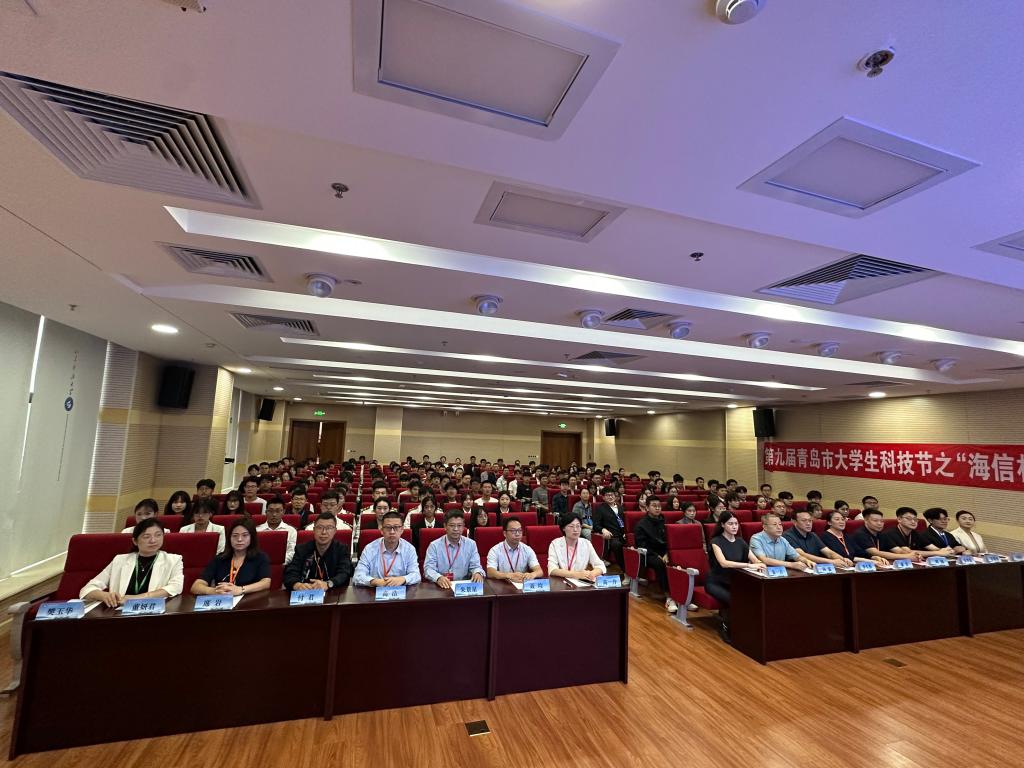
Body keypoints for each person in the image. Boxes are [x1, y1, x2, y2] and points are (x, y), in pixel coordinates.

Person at [80, 518, 184, 606]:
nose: (153, 540)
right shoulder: (119, 560)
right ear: (135, 541)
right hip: (120, 614)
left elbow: (176, 587)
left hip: (153, 612)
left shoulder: (174, 560)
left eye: (158, 535)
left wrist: (139, 598)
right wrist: (105, 596)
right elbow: (87, 589)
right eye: (146, 536)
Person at [705, 511, 764, 644]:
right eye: (730, 524)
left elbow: (754, 559)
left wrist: (760, 564)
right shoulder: (716, 541)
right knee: (734, 600)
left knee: (754, 599)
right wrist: (748, 566)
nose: (734, 526)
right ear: (722, 525)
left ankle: (749, 630)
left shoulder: (740, 541)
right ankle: (726, 628)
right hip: (716, 582)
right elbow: (724, 563)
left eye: (736, 524)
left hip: (735, 582)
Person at [191, 519, 271, 596]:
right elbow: (196, 586)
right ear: (229, 538)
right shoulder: (219, 559)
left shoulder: (260, 558)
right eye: (235, 535)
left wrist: (241, 589)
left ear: (252, 538)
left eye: (245, 535)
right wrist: (213, 591)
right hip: (223, 601)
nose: (239, 539)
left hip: (250, 601)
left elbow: (266, 582)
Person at [285, 513, 354, 591]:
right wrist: (297, 585)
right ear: (314, 530)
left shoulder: (342, 549)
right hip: (306, 592)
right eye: (320, 527)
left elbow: (344, 573)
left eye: (329, 528)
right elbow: (290, 573)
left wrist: (328, 584)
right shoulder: (302, 549)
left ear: (335, 531)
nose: (324, 532)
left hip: (332, 593)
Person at [633, 498, 678, 613]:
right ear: (647, 508)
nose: (657, 508)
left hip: (665, 552)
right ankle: (669, 597)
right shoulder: (641, 524)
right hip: (649, 554)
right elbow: (641, 545)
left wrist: (668, 553)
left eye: (659, 505)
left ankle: (683, 595)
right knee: (659, 563)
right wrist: (657, 555)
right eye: (654, 505)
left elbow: (671, 540)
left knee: (679, 559)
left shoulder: (665, 521)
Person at [353, 510, 421, 587]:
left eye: (396, 527)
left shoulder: (409, 549)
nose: (392, 532)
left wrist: (403, 579)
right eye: (388, 527)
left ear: (402, 530)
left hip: (401, 590)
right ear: (381, 530)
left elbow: (416, 575)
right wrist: (374, 581)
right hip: (375, 590)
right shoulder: (370, 549)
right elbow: (358, 575)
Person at [424, 511, 486, 588]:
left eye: (459, 525)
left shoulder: (471, 544)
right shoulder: (434, 546)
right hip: (442, 586)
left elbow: (476, 566)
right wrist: (438, 578)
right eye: (452, 525)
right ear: (445, 526)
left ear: (463, 527)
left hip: (463, 586)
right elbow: (428, 569)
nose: (456, 529)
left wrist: (477, 573)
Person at [784, 510, 852, 567]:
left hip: (816, 567)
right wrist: (831, 562)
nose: (808, 523)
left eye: (810, 520)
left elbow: (828, 552)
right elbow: (802, 554)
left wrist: (843, 559)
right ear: (794, 522)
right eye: (804, 520)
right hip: (798, 568)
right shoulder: (787, 535)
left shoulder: (813, 535)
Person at [486, 516, 543, 582]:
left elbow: (539, 571)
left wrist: (532, 575)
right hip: (502, 585)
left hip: (521, 585)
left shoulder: (527, 549)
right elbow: (490, 572)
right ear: (505, 533)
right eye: (513, 531)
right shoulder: (495, 550)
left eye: (519, 530)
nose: (517, 534)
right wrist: (509, 575)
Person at [749, 513, 814, 570]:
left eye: (780, 524)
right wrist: (791, 564)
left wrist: (806, 561)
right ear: (765, 527)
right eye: (774, 524)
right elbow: (764, 560)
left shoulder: (782, 540)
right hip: (761, 572)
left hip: (780, 573)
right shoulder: (756, 539)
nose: (779, 527)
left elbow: (796, 556)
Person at [592, 487, 626, 571]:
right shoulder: (600, 509)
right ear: (603, 497)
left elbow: (625, 522)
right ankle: (624, 570)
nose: (610, 497)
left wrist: (626, 532)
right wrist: (603, 530)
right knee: (617, 545)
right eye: (607, 495)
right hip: (611, 536)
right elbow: (596, 525)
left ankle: (635, 571)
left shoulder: (621, 507)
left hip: (623, 535)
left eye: (612, 495)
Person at [256, 496, 297, 564]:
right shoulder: (257, 530)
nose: (274, 514)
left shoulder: (291, 530)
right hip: (260, 565)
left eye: (278, 511)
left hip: (283, 565)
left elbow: (291, 552)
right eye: (271, 511)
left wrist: (280, 562)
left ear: (283, 512)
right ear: (266, 512)